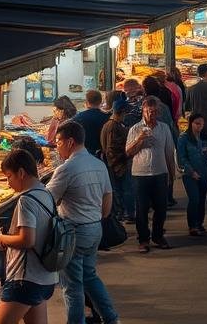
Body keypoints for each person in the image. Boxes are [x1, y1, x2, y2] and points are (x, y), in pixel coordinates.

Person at [48, 122, 118, 324]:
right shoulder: (98, 164)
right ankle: (111, 318)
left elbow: (45, 199)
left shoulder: (67, 168)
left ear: (70, 142)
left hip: (74, 232)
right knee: (89, 277)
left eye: (59, 141)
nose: (57, 145)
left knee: (72, 286)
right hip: (95, 228)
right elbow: (107, 203)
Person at [0, 149, 58, 324]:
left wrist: (2, 239)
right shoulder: (46, 194)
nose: (8, 183)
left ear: (21, 173)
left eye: (9, 177)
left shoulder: (26, 200)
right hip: (45, 278)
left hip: (24, 280)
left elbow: (27, 239)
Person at [125, 96, 177, 253]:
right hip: (140, 175)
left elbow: (169, 151)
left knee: (161, 208)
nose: (151, 114)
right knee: (141, 208)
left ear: (158, 112)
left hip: (160, 172)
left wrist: (171, 174)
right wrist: (140, 139)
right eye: (148, 111)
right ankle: (143, 239)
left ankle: (158, 236)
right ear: (143, 111)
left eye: (154, 111)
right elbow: (128, 152)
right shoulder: (134, 129)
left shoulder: (164, 128)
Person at [176, 113, 207, 237]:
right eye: (197, 124)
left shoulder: (205, 137)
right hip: (190, 174)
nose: (199, 127)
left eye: (201, 124)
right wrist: (191, 171)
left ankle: (199, 223)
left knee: (202, 199)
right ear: (191, 123)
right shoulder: (184, 138)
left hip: (205, 171)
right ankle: (192, 225)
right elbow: (181, 157)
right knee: (194, 198)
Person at [100, 99, 133, 223]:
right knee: (124, 191)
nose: (126, 116)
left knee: (121, 190)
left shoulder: (111, 125)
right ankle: (126, 213)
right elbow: (111, 149)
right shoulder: (113, 127)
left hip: (115, 165)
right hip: (118, 165)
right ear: (121, 112)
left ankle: (124, 213)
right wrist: (122, 160)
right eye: (125, 113)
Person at [72, 90, 109, 157]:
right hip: (103, 155)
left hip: (84, 155)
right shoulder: (107, 117)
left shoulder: (78, 118)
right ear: (101, 101)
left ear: (87, 102)